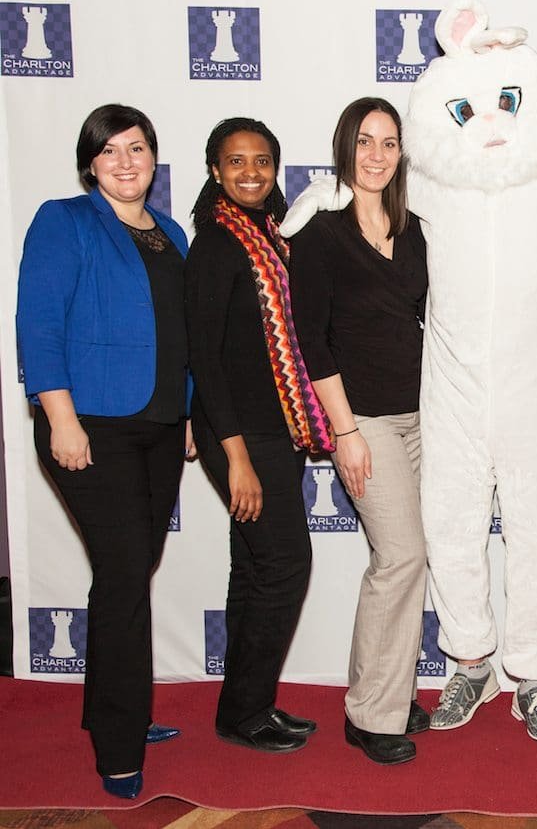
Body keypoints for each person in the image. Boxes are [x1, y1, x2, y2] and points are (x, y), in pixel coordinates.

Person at [16, 104, 190, 799]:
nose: (125, 161)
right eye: (109, 150)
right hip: (89, 425)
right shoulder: (64, 221)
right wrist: (59, 416)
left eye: (136, 148)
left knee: (130, 571)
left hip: (159, 425)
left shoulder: (171, 233)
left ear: (154, 157)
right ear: (90, 163)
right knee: (122, 576)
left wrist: (186, 412)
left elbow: (178, 331)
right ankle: (119, 746)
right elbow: (39, 322)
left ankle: (115, 707)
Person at [286, 97, 430, 766]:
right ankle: (370, 712)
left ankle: (391, 692)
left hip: (426, 417)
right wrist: (344, 432)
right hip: (363, 418)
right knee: (399, 557)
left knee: (413, 557)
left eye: (389, 142)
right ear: (345, 148)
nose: (377, 154)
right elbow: (311, 340)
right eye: (365, 141)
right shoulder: (321, 232)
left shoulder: (415, 228)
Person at [185, 118, 332, 755]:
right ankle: (247, 708)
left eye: (262, 160)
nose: (251, 172)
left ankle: (245, 707)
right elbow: (205, 358)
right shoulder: (217, 245)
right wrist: (236, 456)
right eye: (236, 161)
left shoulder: (272, 236)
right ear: (215, 170)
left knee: (252, 568)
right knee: (284, 565)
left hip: (277, 430)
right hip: (240, 436)